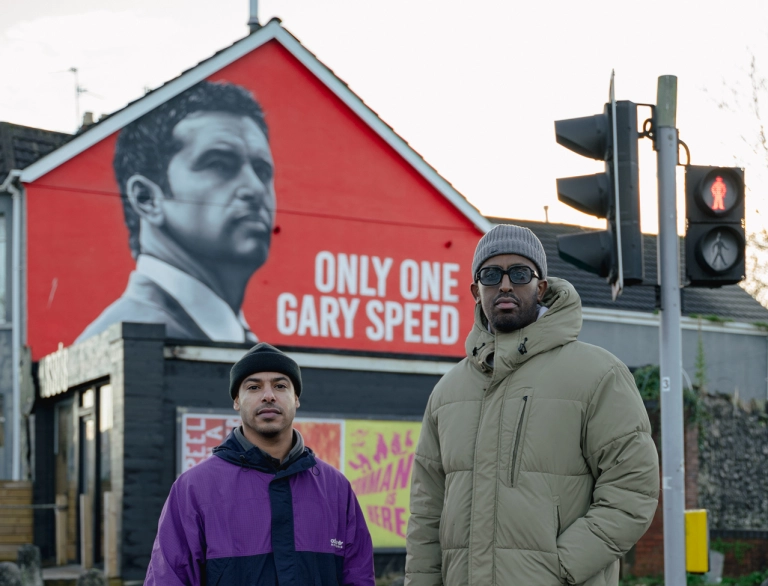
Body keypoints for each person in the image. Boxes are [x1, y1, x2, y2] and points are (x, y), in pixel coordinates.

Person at [405, 224, 659, 586]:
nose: (505, 284)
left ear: (540, 287)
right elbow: (427, 510)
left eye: (519, 273)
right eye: (491, 274)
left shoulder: (599, 374)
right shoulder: (448, 391)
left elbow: (633, 490)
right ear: (476, 291)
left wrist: (558, 567)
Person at [145, 342, 375, 585]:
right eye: (254, 387)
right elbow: (168, 578)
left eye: (280, 386)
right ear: (236, 401)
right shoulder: (194, 488)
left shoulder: (335, 488)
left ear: (296, 398)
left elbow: (359, 576)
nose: (268, 395)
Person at [77, 81, 275, 344]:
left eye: (262, 171)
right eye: (219, 164)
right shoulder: (123, 342)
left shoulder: (239, 343)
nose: (254, 188)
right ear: (146, 198)